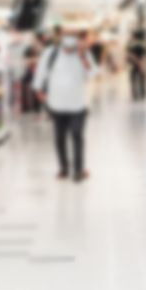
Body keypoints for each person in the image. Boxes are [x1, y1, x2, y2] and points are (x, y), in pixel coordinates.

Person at [33, 31, 97, 181]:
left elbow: (93, 73)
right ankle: (63, 168)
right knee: (59, 138)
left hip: (78, 104)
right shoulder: (51, 53)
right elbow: (41, 73)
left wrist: (82, 56)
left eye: (73, 37)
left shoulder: (83, 54)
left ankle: (79, 170)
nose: (69, 41)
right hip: (57, 104)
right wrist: (39, 93)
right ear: (61, 39)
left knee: (77, 135)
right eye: (66, 37)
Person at [127, 30, 146, 101]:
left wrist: (137, 62)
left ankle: (135, 94)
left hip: (133, 64)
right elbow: (144, 54)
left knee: (133, 79)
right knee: (141, 78)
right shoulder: (143, 43)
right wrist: (141, 63)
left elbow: (129, 54)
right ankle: (142, 94)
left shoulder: (131, 43)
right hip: (140, 62)